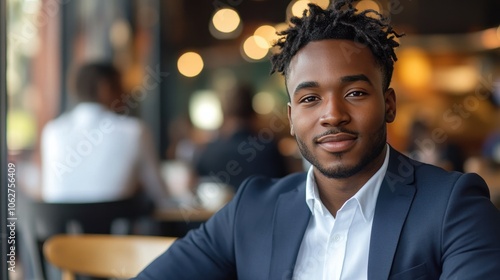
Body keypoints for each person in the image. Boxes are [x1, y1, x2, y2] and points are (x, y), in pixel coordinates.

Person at [134, 2, 500, 279]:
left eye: (355, 93)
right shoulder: (253, 209)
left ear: (389, 105)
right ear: (291, 119)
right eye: (310, 99)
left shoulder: (453, 205)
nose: (332, 114)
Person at [40, 62, 168, 206]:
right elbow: (160, 194)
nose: (125, 93)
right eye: (121, 86)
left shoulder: (52, 131)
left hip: (59, 227)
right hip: (114, 226)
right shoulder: (134, 130)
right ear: (105, 88)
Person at [193, 83, 288, 192]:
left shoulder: (208, 152)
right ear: (253, 112)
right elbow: (283, 188)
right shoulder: (267, 148)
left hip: (219, 209)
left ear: (224, 115)